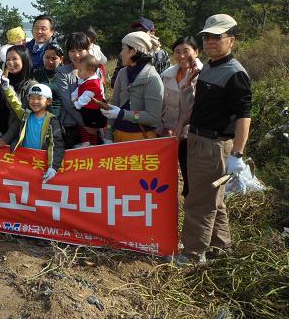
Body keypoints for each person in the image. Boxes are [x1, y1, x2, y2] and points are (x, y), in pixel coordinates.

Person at [178, 15, 251, 264]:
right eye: (207, 37)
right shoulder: (210, 66)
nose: (210, 42)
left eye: (216, 37)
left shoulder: (235, 74)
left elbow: (243, 116)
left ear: (231, 40)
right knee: (214, 200)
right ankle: (220, 248)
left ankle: (192, 253)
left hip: (214, 145)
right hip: (198, 139)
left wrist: (237, 154)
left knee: (199, 201)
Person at [102, 31, 164, 143]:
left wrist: (122, 114)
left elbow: (153, 117)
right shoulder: (122, 73)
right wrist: (108, 133)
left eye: (123, 49)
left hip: (140, 138)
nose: (121, 54)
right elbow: (115, 103)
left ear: (133, 51)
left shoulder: (152, 78)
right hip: (119, 135)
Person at [0, 82, 64, 183]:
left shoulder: (52, 121)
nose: (35, 101)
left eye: (39, 98)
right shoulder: (25, 115)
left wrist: (53, 167)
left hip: (40, 164)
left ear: (49, 101)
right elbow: (16, 104)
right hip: (23, 161)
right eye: (32, 98)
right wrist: (7, 89)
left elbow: (56, 145)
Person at [161, 36, 203, 197]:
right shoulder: (167, 75)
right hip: (168, 132)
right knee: (167, 173)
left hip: (190, 134)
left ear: (196, 52)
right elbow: (162, 104)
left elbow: (194, 107)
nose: (181, 56)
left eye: (186, 51)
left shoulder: (204, 75)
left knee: (188, 174)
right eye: (177, 52)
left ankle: (189, 204)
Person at [111, 17, 170, 86]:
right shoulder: (125, 53)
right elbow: (114, 82)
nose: (138, 34)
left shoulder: (161, 54)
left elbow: (166, 81)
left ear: (152, 33)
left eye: (143, 31)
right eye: (136, 31)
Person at [0, 45, 38, 136]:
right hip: (0, 132)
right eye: (8, 59)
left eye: (14, 59)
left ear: (24, 60)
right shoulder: (5, 82)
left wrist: (6, 138)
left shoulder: (32, 87)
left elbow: (23, 116)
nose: (10, 62)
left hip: (18, 138)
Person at [56, 32, 91, 148]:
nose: (76, 55)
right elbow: (67, 103)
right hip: (71, 126)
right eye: (72, 51)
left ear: (88, 50)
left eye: (80, 50)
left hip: (94, 126)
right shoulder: (62, 72)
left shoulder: (96, 71)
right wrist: (85, 124)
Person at [71, 54, 107, 146]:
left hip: (93, 110)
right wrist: (73, 96)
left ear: (90, 72)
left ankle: (91, 144)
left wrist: (77, 104)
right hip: (87, 108)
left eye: (80, 70)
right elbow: (79, 89)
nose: (78, 72)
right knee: (83, 125)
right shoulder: (85, 79)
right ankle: (86, 142)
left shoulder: (93, 83)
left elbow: (86, 97)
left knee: (91, 127)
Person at [34, 42, 63, 117]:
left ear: (61, 59)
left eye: (54, 58)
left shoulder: (65, 76)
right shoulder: (36, 74)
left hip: (59, 119)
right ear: (43, 57)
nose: (50, 61)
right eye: (47, 57)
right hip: (38, 116)